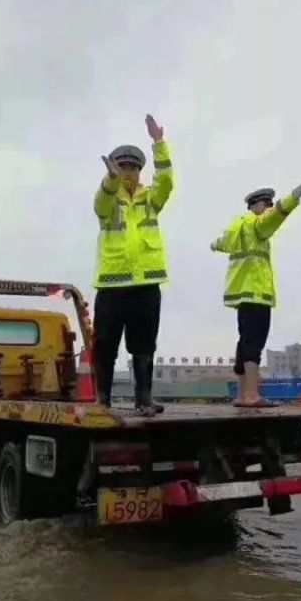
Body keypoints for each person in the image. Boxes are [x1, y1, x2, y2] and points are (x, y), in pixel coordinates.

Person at [93, 114, 173, 416]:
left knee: (144, 345)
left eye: (133, 168)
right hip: (113, 284)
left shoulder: (150, 200)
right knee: (106, 344)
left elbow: (166, 180)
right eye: (123, 167)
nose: (128, 172)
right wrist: (110, 181)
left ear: (140, 172)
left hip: (146, 285)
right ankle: (102, 399)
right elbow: (101, 201)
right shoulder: (107, 200)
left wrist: (159, 143)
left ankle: (144, 399)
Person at [210, 182, 301, 407]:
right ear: (255, 206)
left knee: (244, 341)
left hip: (241, 295)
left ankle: (242, 395)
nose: (269, 208)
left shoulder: (236, 228)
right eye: (267, 204)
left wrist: (214, 245)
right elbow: (274, 218)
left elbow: (222, 243)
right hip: (257, 292)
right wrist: (292, 199)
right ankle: (252, 395)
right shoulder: (256, 225)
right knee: (254, 343)